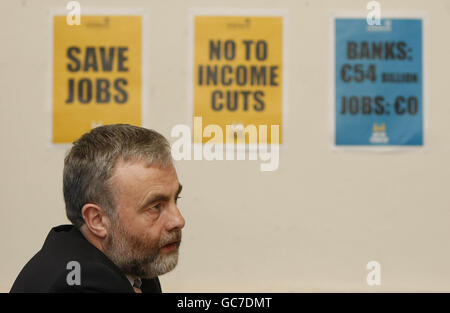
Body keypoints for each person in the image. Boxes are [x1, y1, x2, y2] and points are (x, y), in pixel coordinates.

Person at [10, 124, 185, 293]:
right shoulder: (79, 286)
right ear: (97, 220)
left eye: (175, 199)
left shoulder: (134, 265)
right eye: (155, 207)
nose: (178, 220)